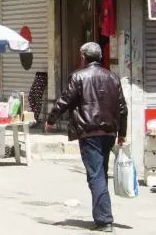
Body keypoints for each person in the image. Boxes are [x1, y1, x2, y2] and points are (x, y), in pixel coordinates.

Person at [45, 42, 128, 233]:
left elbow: (65, 100)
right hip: (108, 133)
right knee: (100, 174)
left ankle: (104, 220)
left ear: (83, 57)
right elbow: (123, 108)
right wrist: (122, 133)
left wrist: (50, 120)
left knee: (96, 176)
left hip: (89, 132)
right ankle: (103, 214)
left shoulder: (78, 76)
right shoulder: (113, 77)